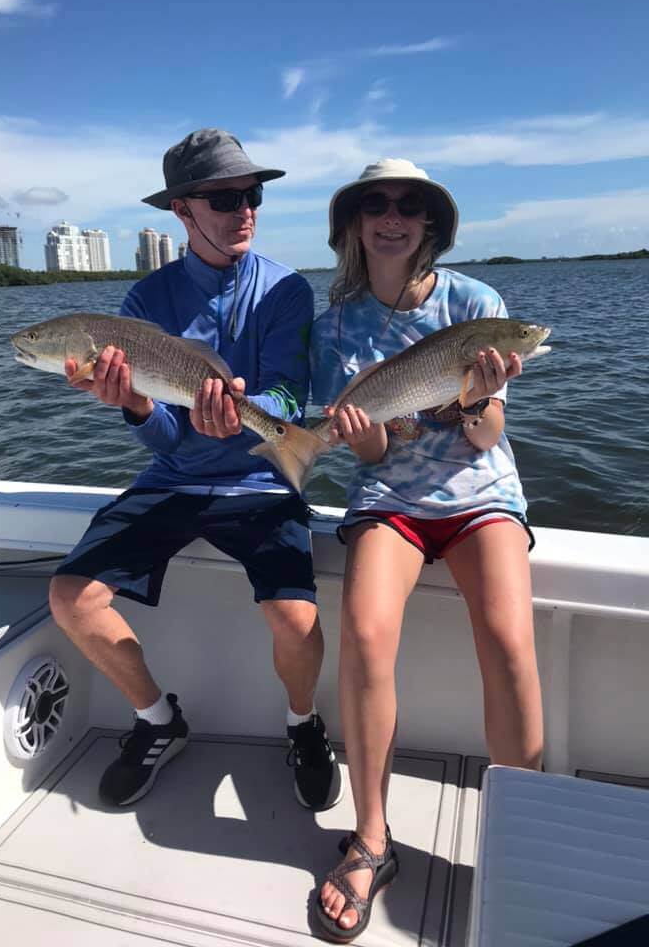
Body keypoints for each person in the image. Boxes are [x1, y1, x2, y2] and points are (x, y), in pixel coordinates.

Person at [49, 128, 343, 814]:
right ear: (181, 212)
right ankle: (157, 719)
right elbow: (164, 440)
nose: (244, 209)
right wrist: (133, 406)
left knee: (296, 620)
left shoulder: (288, 291)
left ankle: (302, 725)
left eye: (253, 194)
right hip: (175, 480)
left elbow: (289, 395)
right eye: (224, 198)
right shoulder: (145, 303)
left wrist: (246, 412)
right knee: (71, 598)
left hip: (260, 481)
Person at [310, 159, 544, 941]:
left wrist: (477, 396)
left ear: (430, 225)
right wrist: (363, 436)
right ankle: (371, 838)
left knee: (511, 642)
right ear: (352, 225)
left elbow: (485, 437)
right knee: (366, 635)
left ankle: (522, 834)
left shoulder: (477, 304)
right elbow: (373, 459)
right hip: (392, 499)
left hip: (479, 495)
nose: (393, 215)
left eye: (409, 205)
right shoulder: (333, 325)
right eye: (375, 203)